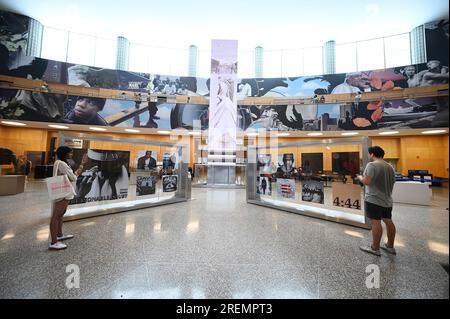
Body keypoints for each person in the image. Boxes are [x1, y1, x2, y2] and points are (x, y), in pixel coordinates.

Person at [357, 146, 397, 256]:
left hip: (374, 199)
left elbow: (367, 181)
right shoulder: (390, 166)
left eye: (369, 154)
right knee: (388, 221)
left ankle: (375, 248)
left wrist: (360, 177)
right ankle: (390, 246)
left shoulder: (372, 165)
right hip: (387, 199)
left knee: (376, 222)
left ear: (372, 154)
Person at [49, 146, 87, 250]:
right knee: (56, 216)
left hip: (64, 192)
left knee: (60, 214)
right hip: (63, 193)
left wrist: (81, 165)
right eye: (70, 153)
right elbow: (73, 177)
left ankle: (59, 235)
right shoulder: (62, 164)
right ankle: (54, 242)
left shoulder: (59, 163)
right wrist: (82, 165)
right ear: (65, 154)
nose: (71, 154)